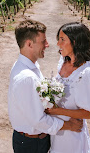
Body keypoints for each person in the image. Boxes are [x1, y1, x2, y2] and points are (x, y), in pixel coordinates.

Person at [8, 19, 83, 153]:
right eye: (43, 41)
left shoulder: (28, 66)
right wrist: (69, 125)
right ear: (29, 44)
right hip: (31, 145)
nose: (47, 45)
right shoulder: (27, 78)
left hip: (34, 140)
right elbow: (38, 121)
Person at [45, 22, 90, 153]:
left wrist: (57, 111)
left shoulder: (86, 75)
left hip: (72, 137)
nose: (58, 44)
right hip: (57, 131)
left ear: (75, 43)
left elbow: (89, 113)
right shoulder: (63, 62)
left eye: (62, 39)